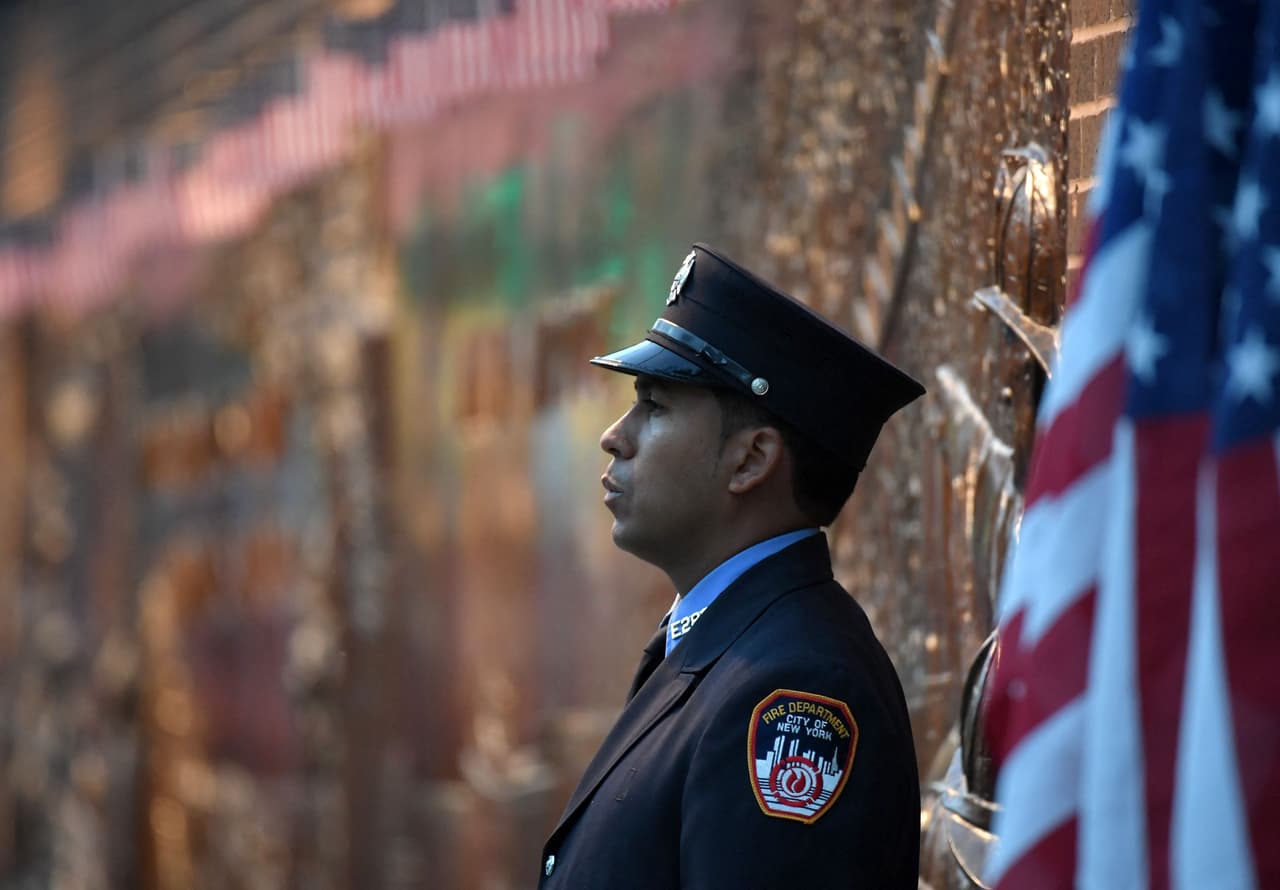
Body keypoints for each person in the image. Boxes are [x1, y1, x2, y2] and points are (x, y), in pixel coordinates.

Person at [537, 243, 925, 889]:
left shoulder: (796, 689)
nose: (616, 435)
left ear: (750, 461)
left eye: (655, 406)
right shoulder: (729, 646)